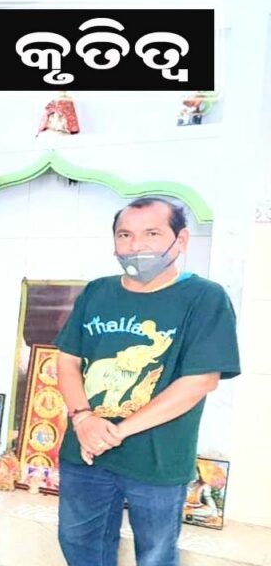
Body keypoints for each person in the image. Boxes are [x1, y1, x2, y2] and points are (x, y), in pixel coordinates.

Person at [54, 196, 240, 566]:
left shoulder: (204, 298)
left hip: (158, 459)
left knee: (155, 554)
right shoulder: (97, 291)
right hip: (85, 451)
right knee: (78, 544)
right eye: (125, 235)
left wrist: (116, 432)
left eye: (151, 234)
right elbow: (67, 361)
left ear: (180, 240)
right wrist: (83, 418)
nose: (136, 246)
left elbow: (200, 381)